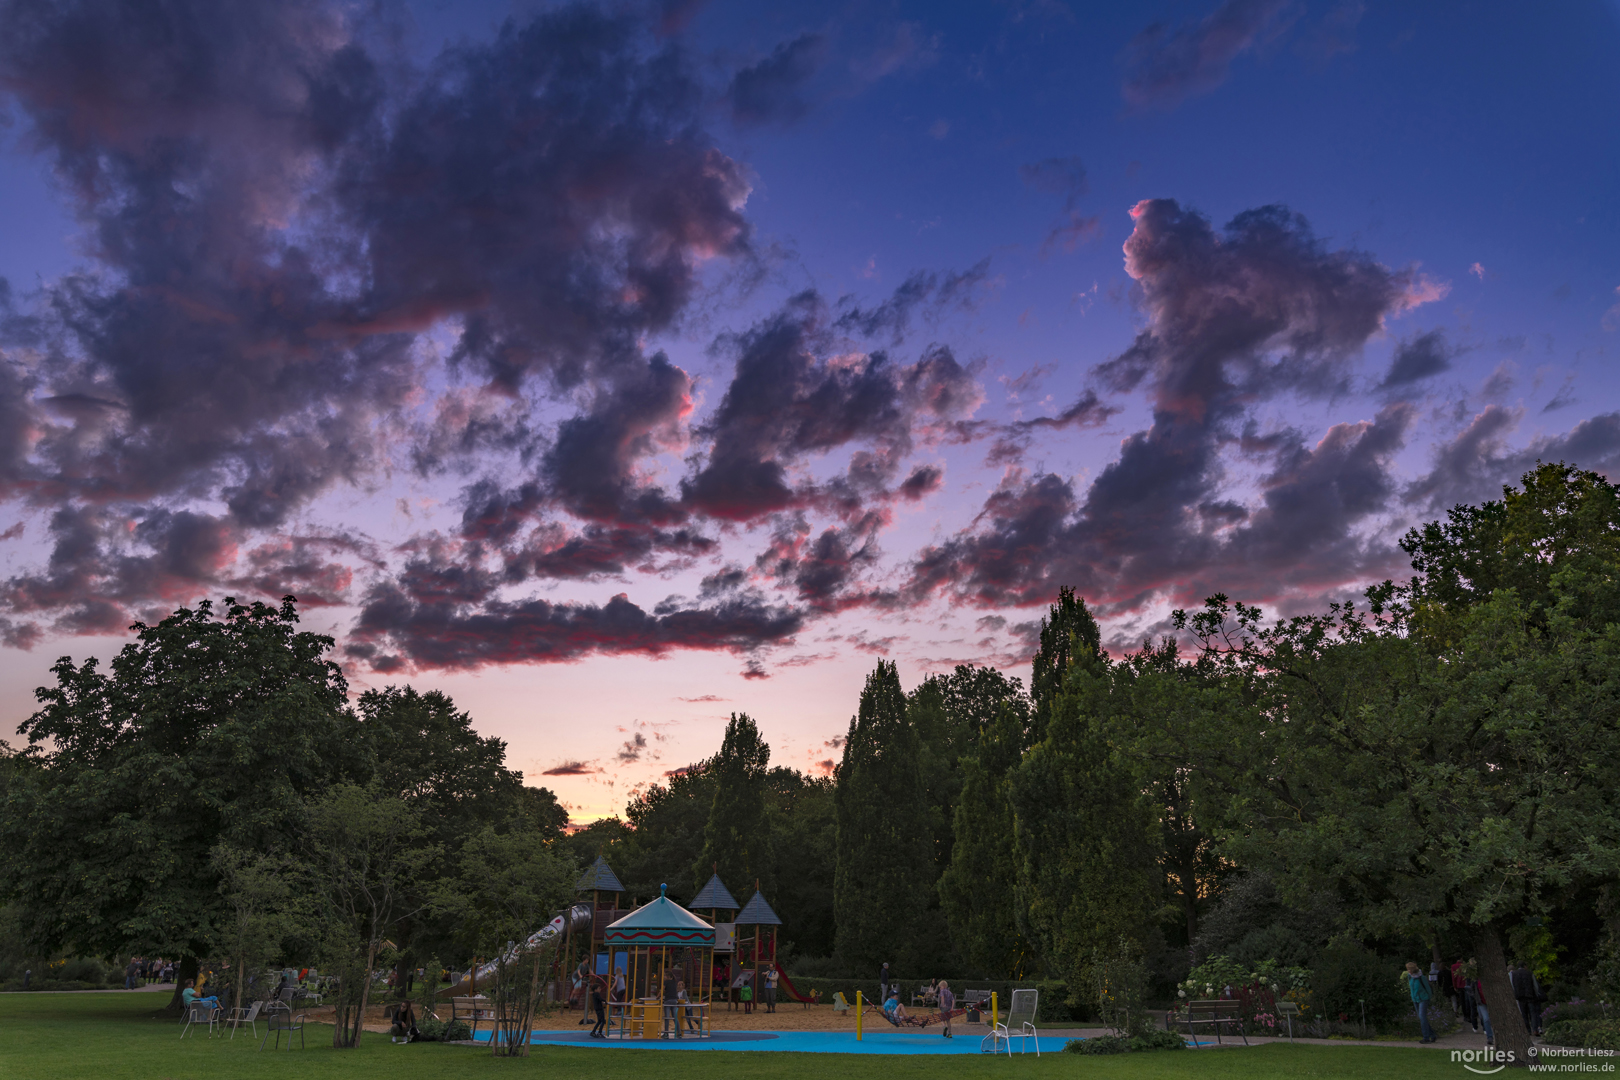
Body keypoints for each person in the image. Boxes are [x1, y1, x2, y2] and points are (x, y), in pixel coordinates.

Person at [1404, 961, 1436, 1043]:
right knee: (1421, 1018)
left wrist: (1430, 998)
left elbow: (1428, 988)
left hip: (1423, 998)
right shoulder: (1410, 976)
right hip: (1415, 999)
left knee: (1422, 1017)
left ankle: (1426, 1037)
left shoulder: (1421, 977)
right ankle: (1432, 1034)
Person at [1510, 961, 1544, 1036]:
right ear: (1525, 966)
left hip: (1520, 996)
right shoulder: (1529, 973)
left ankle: (1527, 1030)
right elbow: (1535, 985)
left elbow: (1513, 985)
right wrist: (1536, 994)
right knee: (1532, 1013)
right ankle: (1535, 1029)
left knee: (1524, 1014)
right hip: (1530, 996)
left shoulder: (1514, 974)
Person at [661, 971, 681, 1038]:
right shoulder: (674, 983)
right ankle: (679, 1033)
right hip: (674, 1000)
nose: (664, 977)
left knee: (667, 1017)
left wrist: (658, 996)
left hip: (668, 1000)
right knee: (675, 1017)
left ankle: (666, 1033)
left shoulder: (666, 982)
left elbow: (662, 990)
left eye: (665, 976)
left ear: (668, 976)